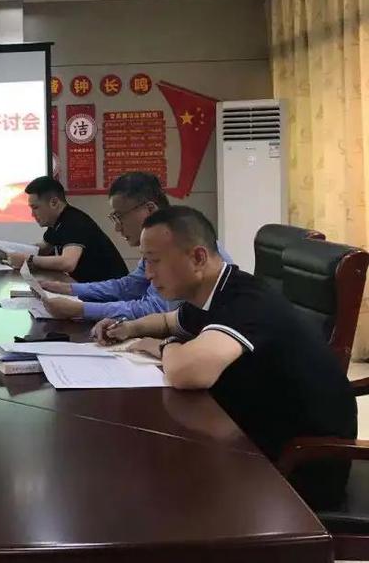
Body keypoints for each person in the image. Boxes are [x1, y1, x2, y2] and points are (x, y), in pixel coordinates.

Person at [94, 206, 355, 508]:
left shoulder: (246, 302)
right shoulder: (215, 290)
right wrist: (128, 328)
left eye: (154, 261)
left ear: (198, 258)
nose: (149, 274)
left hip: (297, 468)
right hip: (251, 437)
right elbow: (170, 321)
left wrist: (161, 346)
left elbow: (188, 372)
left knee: (153, 490)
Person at [38, 172, 232, 319]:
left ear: (149, 210)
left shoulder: (181, 245)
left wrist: (81, 309)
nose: (117, 227)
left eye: (119, 216)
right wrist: (71, 289)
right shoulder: (163, 242)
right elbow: (129, 286)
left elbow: (154, 310)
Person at [0, 176, 127, 283]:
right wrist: (11, 251)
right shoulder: (58, 221)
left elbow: (68, 263)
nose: (33, 214)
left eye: (35, 207)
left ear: (54, 203)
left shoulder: (74, 221)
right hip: (91, 289)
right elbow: (43, 249)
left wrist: (28, 259)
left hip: (111, 294)